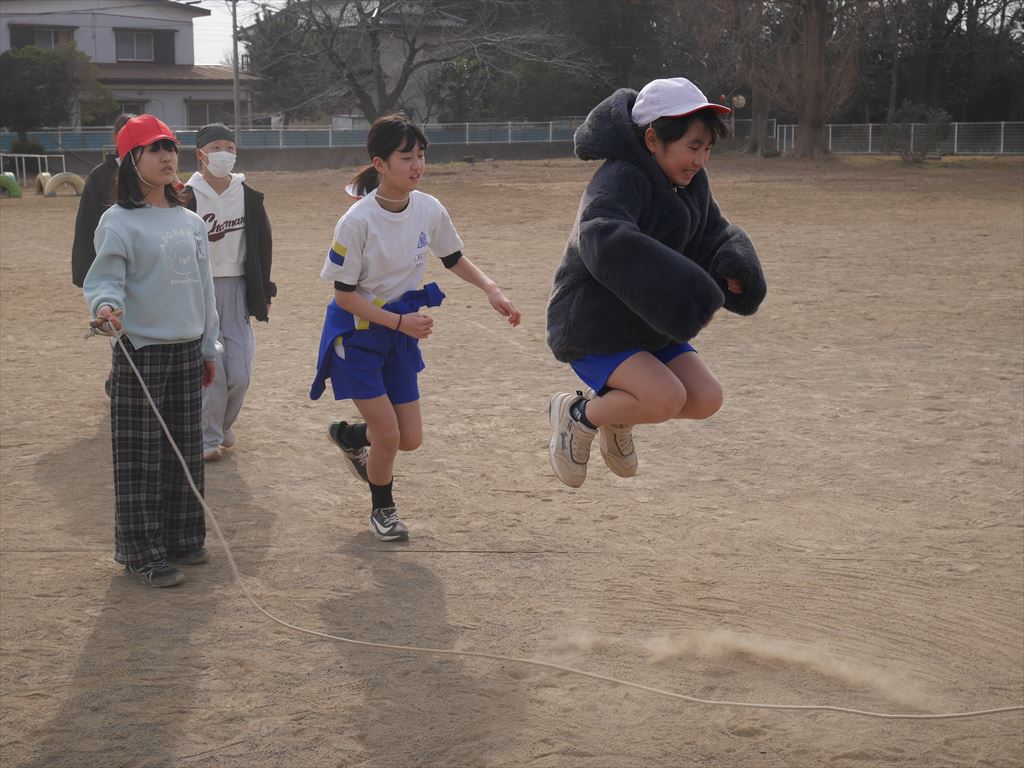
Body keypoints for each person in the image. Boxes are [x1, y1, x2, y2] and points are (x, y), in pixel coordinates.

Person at [545, 77, 767, 488]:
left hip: (648, 327)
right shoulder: (619, 179)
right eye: (692, 147)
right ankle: (579, 415)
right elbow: (603, 238)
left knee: (706, 398)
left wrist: (733, 265)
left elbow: (713, 232)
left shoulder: (691, 183)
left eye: (707, 149)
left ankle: (620, 413)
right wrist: (683, 296)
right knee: (666, 397)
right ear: (653, 140)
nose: (700, 160)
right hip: (594, 325)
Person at [310, 113, 521, 541]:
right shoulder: (356, 222)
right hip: (358, 334)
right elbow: (344, 296)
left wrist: (490, 288)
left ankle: (350, 436)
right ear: (380, 164)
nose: (417, 165)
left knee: (409, 438)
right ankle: (382, 511)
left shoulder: (428, 207)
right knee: (388, 436)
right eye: (406, 157)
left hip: (399, 334)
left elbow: (452, 257)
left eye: (421, 155)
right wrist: (400, 321)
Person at [84, 114, 221, 587]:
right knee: (139, 456)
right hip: (140, 351)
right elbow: (105, 280)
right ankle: (141, 552)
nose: (167, 157)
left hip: (188, 349)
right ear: (130, 160)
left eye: (170, 148)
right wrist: (105, 307)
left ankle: (183, 537)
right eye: (154, 149)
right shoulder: (118, 221)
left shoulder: (191, 221)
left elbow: (205, 290)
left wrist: (209, 347)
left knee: (185, 450)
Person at [184, 122, 275, 462]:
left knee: (240, 373)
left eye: (230, 148)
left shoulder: (247, 196)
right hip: (198, 291)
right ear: (200, 154)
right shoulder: (184, 196)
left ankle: (222, 424)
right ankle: (207, 438)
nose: (224, 154)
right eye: (216, 148)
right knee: (213, 371)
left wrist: (264, 291)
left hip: (236, 289)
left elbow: (262, 246)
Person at [72, 112, 135, 396]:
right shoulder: (100, 175)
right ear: (116, 138)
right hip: (112, 257)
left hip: (143, 260)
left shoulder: (151, 173)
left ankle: (118, 371)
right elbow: (87, 223)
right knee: (118, 315)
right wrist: (86, 267)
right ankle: (117, 371)